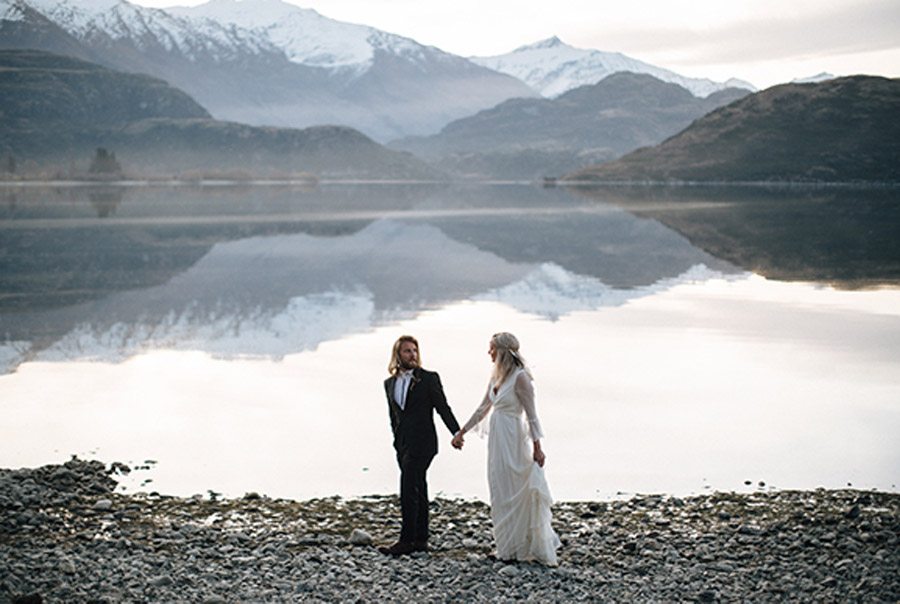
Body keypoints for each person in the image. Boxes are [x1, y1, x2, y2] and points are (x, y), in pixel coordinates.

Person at [452, 332, 561, 565]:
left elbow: (532, 416)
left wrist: (538, 447)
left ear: (501, 351)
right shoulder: (496, 377)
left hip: (513, 437)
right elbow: (483, 408)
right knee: (500, 489)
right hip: (498, 440)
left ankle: (520, 548)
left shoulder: (521, 378)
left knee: (516, 490)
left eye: (491, 348)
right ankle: (506, 547)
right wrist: (461, 432)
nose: (488, 352)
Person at [380, 335, 461, 556]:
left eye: (414, 350)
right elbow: (393, 417)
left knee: (408, 487)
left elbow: (443, 407)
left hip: (424, 443)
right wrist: (396, 441)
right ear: (398, 355)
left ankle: (406, 540)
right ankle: (421, 539)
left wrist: (456, 432)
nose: (412, 355)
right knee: (419, 487)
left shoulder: (428, 379)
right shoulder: (389, 384)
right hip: (403, 444)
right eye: (407, 351)